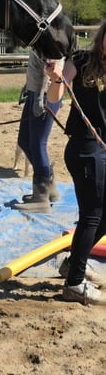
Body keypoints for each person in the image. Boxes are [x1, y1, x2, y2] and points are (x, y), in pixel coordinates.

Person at [45, 21, 106, 305]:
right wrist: (56, 78)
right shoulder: (80, 60)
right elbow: (55, 96)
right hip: (85, 149)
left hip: (102, 149)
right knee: (92, 213)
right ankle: (74, 284)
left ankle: (73, 265)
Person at [13, 50, 63, 213]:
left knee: (38, 143)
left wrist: (41, 97)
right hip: (34, 91)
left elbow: (50, 67)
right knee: (24, 141)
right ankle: (48, 183)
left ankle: (41, 197)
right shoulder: (39, 38)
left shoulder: (50, 41)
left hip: (45, 94)